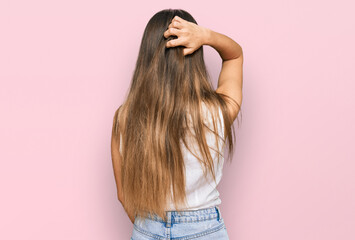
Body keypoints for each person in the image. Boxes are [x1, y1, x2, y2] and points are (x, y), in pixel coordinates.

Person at [111, 8, 243, 240]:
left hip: (147, 226)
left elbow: (123, 195)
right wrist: (206, 36)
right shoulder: (216, 112)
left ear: (147, 56)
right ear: (196, 54)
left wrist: (151, 225)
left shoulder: (125, 118)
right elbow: (234, 55)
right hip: (204, 230)